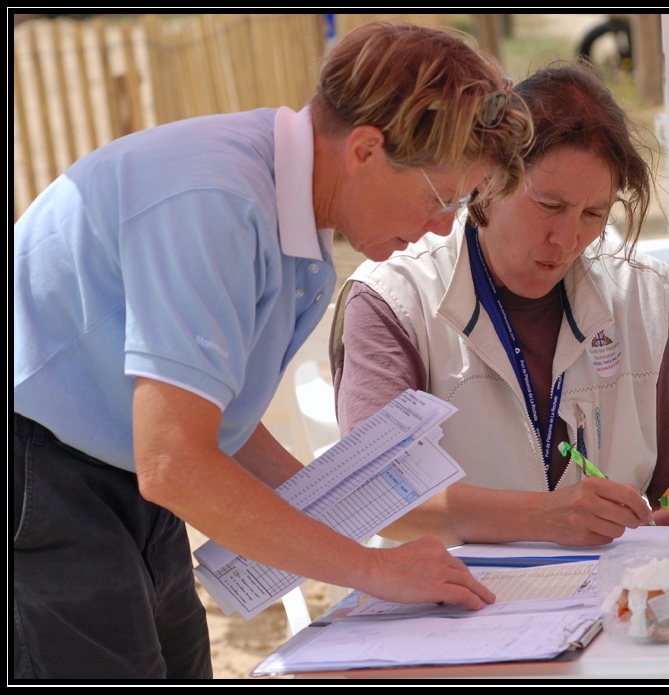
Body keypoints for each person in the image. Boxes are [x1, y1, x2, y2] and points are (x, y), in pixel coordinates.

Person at [11, 21, 532, 679]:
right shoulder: (218, 200)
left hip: (113, 467)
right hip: (41, 468)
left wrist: (320, 509)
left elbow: (202, 409)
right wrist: (370, 567)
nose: (441, 225)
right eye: (443, 196)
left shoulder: (292, 203)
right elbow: (175, 458)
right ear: (367, 149)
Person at [332, 61, 669, 549]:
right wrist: (546, 517)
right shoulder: (393, 298)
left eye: (593, 214)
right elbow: (373, 494)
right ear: (486, 179)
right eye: (548, 205)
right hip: (453, 605)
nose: (567, 239)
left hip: (616, 602)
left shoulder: (640, 295)